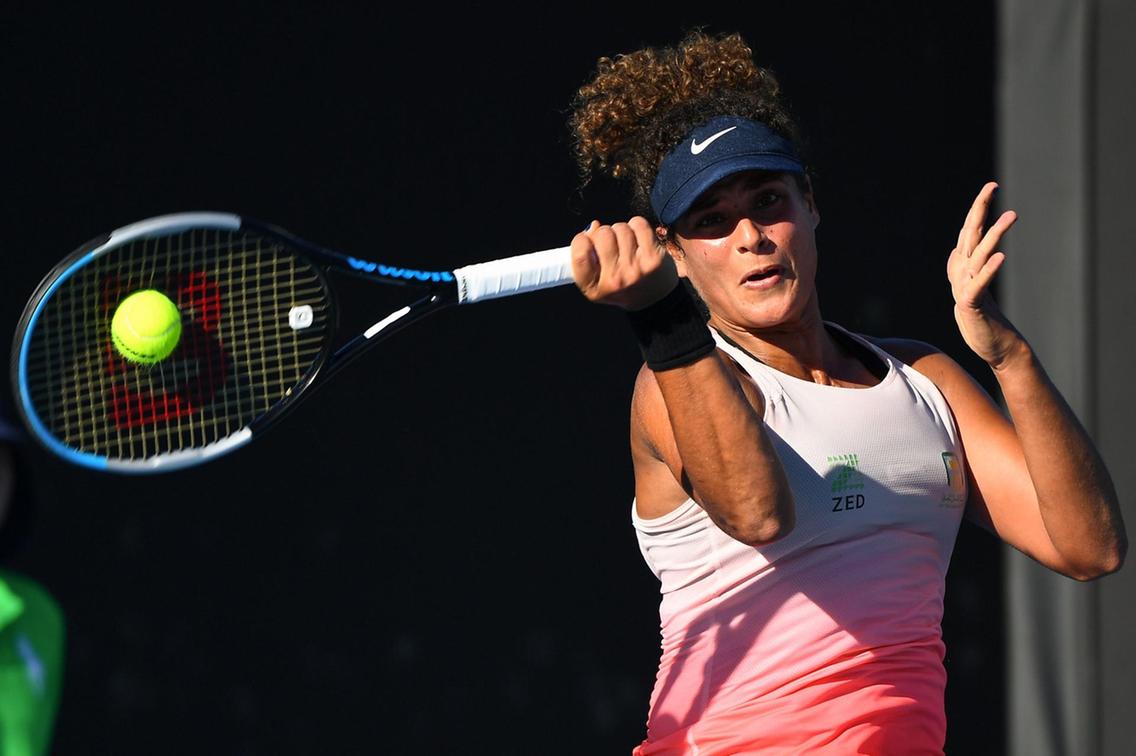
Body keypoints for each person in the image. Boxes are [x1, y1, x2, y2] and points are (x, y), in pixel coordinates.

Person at [566, 31, 1127, 755]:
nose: (751, 237)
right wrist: (662, 317)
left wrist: (1008, 354)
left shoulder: (927, 381)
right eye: (711, 221)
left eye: (768, 202)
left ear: (810, 207)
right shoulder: (674, 385)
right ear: (674, 253)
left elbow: (1090, 546)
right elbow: (758, 514)